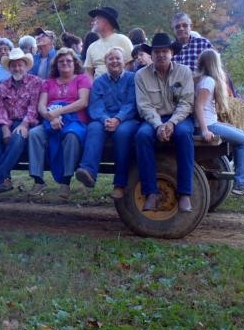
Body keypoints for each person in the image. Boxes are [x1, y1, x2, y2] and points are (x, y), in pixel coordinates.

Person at [134, 32, 195, 213]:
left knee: (184, 134)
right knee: (142, 135)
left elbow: (187, 103)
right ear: (151, 55)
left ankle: (184, 194)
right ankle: (150, 192)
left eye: (164, 51)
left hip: (179, 118)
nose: (161, 55)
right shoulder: (141, 75)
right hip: (154, 118)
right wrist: (159, 124)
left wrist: (172, 123)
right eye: (156, 52)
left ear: (172, 53)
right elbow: (144, 106)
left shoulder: (184, 72)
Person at [194, 49, 244, 197]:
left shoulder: (203, 79)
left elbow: (206, 109)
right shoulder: (208, 81)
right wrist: (205, 130)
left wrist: (222, 124)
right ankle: (242, 182)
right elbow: (198, 106)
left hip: (211, 123)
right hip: (206, 126)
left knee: (241, 135)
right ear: (214, 64)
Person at [75, 46, 140, 199]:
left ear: (124, 61)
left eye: (118, 58)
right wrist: (105, 119)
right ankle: (88, 172)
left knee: (122, 133)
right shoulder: (99, 82)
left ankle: (120, 184)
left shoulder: (132, 79)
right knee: (93, 128)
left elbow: (132, 103)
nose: (115, 61)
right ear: (105, 62)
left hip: (127, 119)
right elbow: (95, 106)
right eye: (111, 59)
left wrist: (118, 119)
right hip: (104, 118)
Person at [28, 47, 92, 200]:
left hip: (75, 119)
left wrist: (59, 112)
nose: (65, 63)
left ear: (74, 62)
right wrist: (51, 117)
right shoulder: (48, 82)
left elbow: (83, 102)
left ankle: (66, 181)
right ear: (56, 64)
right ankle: (38, 180)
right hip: (51, 119)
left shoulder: (82, 79)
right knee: (34, 134)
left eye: (68, 60)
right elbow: (41, 106)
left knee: (72, 135)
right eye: (61, 61)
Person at [0, 48, 42, 194]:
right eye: (13, 65)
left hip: (26, 122)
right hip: (6, 122)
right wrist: (4, 129)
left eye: (20, 65)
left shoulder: (36, 82)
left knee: (18, 136)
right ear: (9, 68)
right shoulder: (2, 86)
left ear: (26, 66)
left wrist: (24, 124)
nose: (17, 68)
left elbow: (33, 108)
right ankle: (5, 179)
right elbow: (1, 109)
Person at [84, 7, 133, 79]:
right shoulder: (92, 47)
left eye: (96, 19)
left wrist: (119, 82)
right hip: (99, 88)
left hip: (121, 87)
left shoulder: (123, 40)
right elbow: (88, 71)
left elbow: (130, 64)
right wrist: (94, 86)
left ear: (105, 21)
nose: (93, 22)